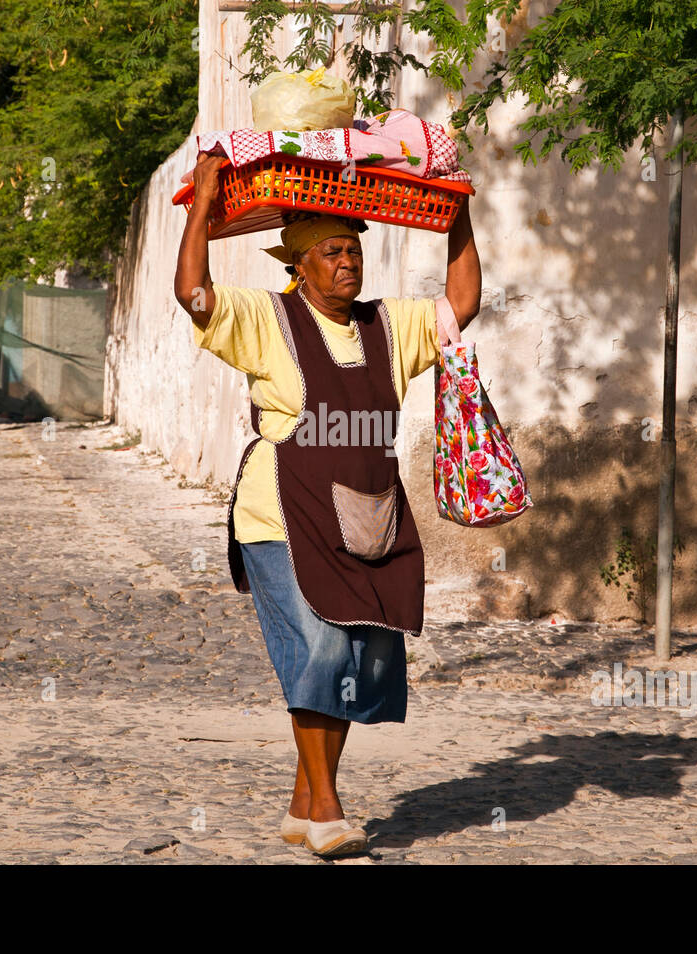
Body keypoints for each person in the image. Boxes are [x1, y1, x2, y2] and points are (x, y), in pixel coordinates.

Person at [174, 151, 481, 857]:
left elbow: (461, 303)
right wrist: (205, 202)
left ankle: (303, 804)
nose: (348, 262)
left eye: (354, 249)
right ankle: (329, 810)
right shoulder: (266, 318)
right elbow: (194, 294)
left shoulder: (388, 327)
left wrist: (458, 214)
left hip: (370, 515)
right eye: (331, 252)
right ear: (300, 266)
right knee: (319, 649)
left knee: (358, 656)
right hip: (280, 514)